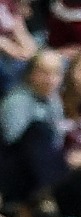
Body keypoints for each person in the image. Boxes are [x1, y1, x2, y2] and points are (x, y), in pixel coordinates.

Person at [1, 49, 64, 203]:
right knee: (38, 131)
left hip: (43, 166)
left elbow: (58, 141)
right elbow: (12, 140)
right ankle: (49, 196)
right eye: (44, 72)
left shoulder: (55, 100)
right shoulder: (16, 100)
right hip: (13, 166)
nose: (50, 79)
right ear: (31, 74)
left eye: (55, 73)